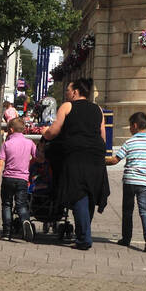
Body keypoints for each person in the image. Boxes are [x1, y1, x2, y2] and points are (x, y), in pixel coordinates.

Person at [41, 77, 109, 251]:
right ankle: (84, 233)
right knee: (90, 194)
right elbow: (103, 135)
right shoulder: (98, 110)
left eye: (68, 91)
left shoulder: (67, 106)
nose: (66, 94)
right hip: (96, 155)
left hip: (76, 155)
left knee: (78, 193)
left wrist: (45, 132)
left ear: (76, 92)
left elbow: (54, 131)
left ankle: (84, 238)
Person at [109, 112, 146, 252]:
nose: (129, 128)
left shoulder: (129, 142)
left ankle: (126, 238)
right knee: (145, 211)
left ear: (134, 126)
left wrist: (101, 160)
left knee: (127, 211)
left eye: (130, 126)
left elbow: (116, 160)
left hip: (129, 181)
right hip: (144, 183)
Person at [0, 116, 36, 242]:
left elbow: (0, 163)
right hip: (23, 179)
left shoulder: (7, 144)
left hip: (8, 178)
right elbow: (38, 156)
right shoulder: (29, 143)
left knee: (6, 204)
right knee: (21, 205)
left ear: (11, 130)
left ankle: (6, 232)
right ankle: (25, 220)